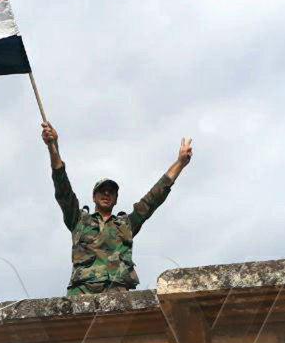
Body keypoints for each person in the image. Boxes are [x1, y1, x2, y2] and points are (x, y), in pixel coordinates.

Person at [42, 122, 193, 297]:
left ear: (116, 199)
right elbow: (63, 188)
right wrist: (53, 147)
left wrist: (180, 163)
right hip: (82, 293)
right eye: (102, 191)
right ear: (94, 197)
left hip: (118, 294)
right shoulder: (78, 220)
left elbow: (154, 197)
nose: (106, 194)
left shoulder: (126, 224)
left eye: (111, 192)